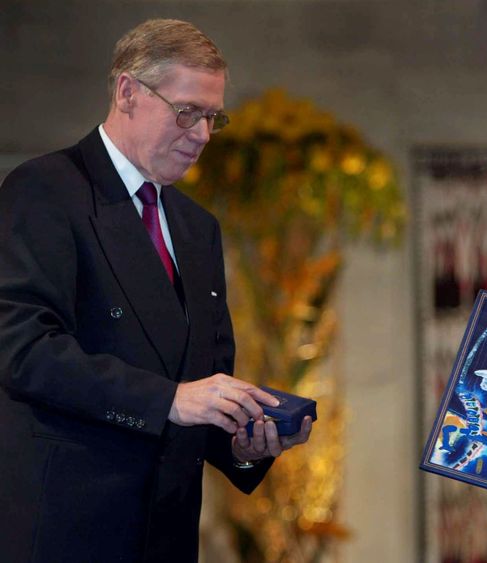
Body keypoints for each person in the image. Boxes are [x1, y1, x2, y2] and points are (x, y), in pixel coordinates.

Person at [0, 19, 312, 562]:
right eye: (187, 112)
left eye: (214, 118)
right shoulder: (45, 189)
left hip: (166, 534)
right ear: (127, 92)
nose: (203, 135)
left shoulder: (197, 228)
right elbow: (21, 348)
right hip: (66, 531)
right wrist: (168, 399)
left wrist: (243, 441)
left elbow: (203, 383)